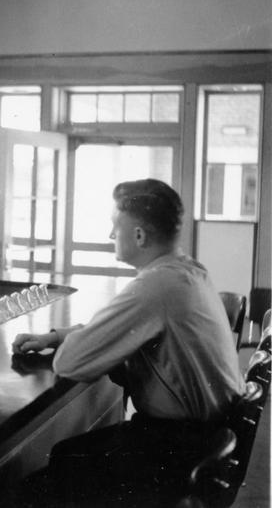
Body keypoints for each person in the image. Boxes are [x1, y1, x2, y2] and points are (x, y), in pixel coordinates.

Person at [12, 179, 244, 506]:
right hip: (207, 439)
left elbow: (69, 362)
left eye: (114, 227)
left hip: (177, 446)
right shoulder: (186, 271)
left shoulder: (156, 285)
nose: (110, 236)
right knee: (70, 456)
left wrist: (73, 342)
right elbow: (121, 329)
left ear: (139, 235)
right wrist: (54, 336)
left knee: (51, 472)